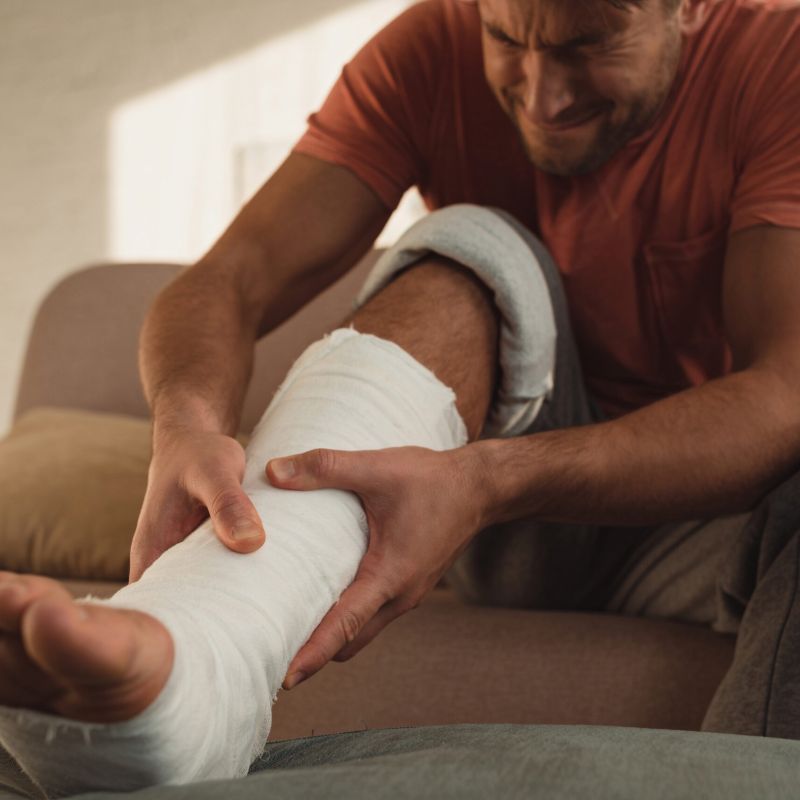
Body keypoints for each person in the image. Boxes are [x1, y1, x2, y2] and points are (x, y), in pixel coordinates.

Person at [1, 0, 799, 793]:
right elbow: (229, 278)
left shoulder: (779, 60)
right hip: (494, 524)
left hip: (709, 528)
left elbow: (783, 393)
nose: (542, 95)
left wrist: (488, 480)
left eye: (588, 44)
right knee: (474, 241)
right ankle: (197, 647)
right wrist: (184, 422)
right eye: (505, 37)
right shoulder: (428, 49)